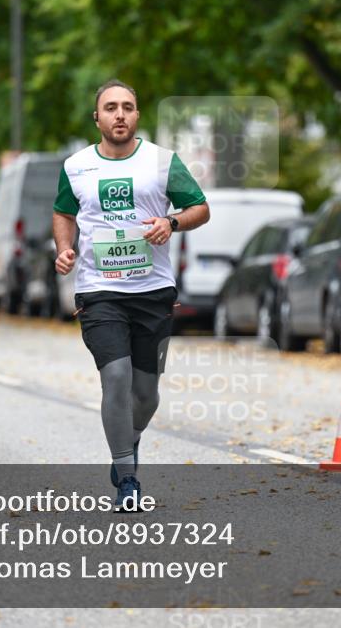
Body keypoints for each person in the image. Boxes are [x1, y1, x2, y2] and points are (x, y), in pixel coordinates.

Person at [53, 80, 210, 511]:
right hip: (99, 291)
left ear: (137, 116)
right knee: (116, 378)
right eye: (110, 108)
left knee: (146, 395)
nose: (119, 114)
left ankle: (128, 439)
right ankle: (127, 477)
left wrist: (172, 223)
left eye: (127, 107)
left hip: (152, 291)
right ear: (97, 118)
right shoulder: (76, 166)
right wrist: (64, 249)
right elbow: (64, 212)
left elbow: (200, 207)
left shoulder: (162, 162)